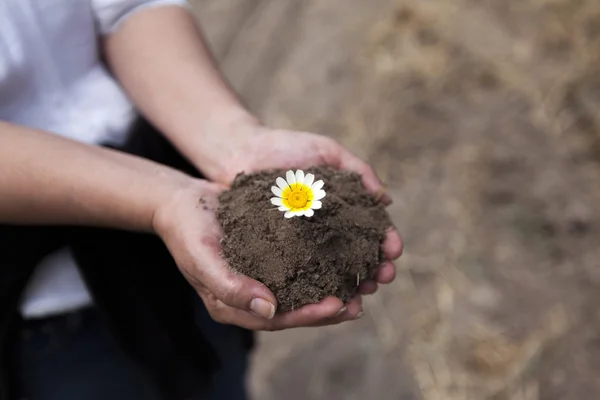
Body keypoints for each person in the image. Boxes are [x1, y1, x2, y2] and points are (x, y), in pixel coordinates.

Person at [0, 1, 403, 399]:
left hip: (179, 235)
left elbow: (128, 8)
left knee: (218, 376)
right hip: (39, 312)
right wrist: (162, 198)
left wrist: (236, 142)